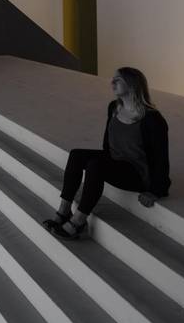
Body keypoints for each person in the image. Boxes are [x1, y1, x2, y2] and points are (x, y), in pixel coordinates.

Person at [43, 67, 171, 241]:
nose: (112, 83)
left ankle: (79, 221)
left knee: (96, 165)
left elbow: (161, 158)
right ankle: (64, 211)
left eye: (118, 80)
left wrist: (156, 190)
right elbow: (107, 144)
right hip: (116, 160)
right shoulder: (114, 108)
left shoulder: (152, 119)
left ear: (132, 84)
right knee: (76, 155)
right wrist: (105, 161)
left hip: (137, 172)